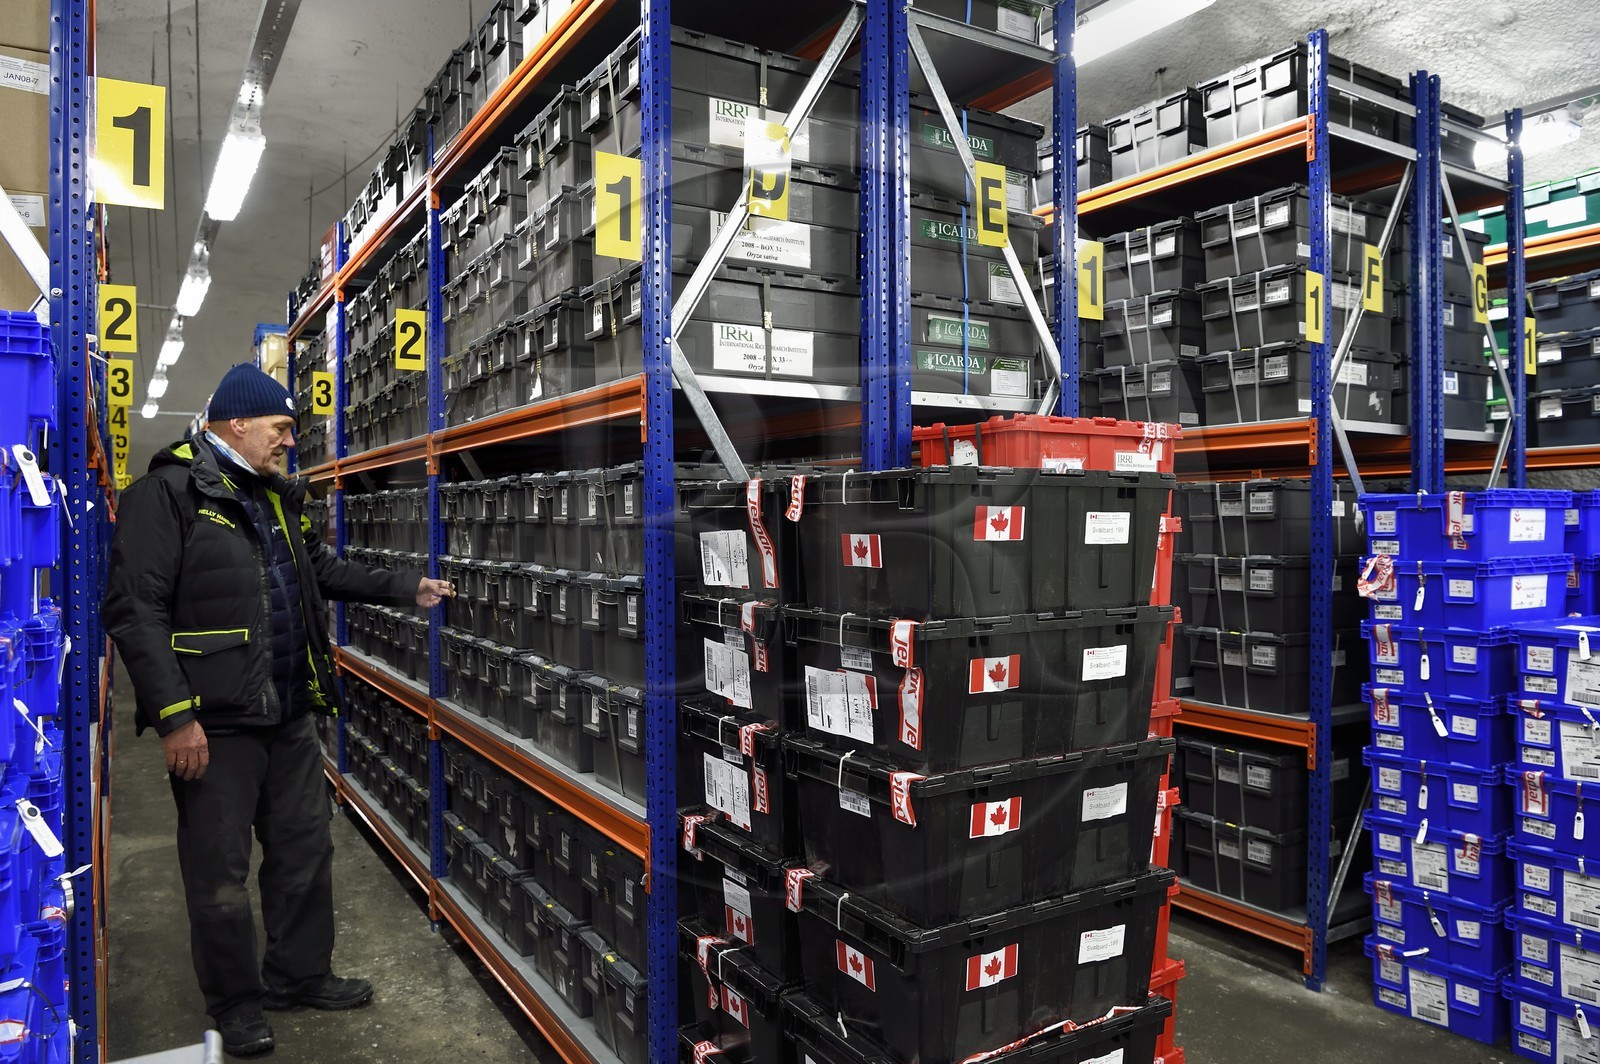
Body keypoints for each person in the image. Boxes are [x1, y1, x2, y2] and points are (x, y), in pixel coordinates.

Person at [103, 363, 454, 1058]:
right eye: (282, 428)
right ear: (237, 424)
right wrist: (175, 715)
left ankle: (298, 975)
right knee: (219, 875)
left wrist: (403, 586)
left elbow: (319, 571)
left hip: (289, 710)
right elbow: (134, 609)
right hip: (216, 723)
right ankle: (235, 1004)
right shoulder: (166, 494)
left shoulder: (276, 499)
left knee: (303, 852)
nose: (290, 442)